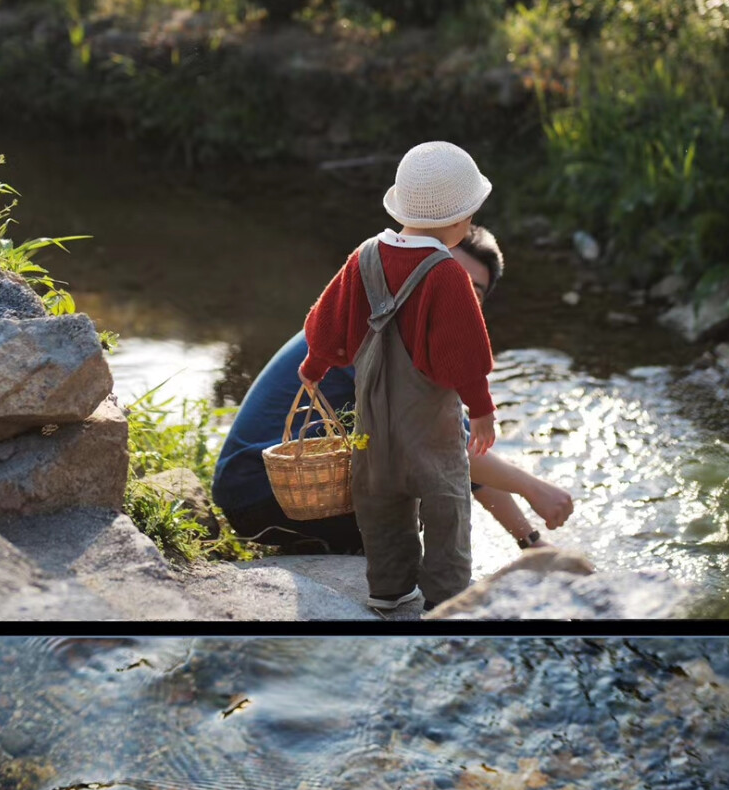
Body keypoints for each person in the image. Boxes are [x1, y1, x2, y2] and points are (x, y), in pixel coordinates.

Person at [211, 222, 573, 557]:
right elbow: (445, 448)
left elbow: (465, 449)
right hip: (258, 489)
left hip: (282, 488)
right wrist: (534, 488)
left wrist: (530, 542)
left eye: (472, 291)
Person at [301, 141, 493, 615]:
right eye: (470, 217)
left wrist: (314, 368)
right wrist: (483, 410)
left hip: (373, 420)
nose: (469, 227)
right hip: (428, 424)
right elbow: (464, 355)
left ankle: (387, 588)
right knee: (446, 502)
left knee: (380, 500)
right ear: (455, 220)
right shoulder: (448, 274)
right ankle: (445, 596)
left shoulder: (364, 257)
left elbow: (327, 325)